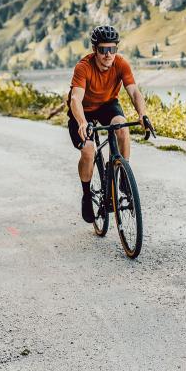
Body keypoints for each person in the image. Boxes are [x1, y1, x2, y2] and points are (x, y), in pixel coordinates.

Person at [68, 25, 154, 223]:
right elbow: (75, 99)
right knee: (89, 150)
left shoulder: (121, 64)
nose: (108, 54)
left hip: (107, 104)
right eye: (103, 50)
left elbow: (134, 92)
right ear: (94, 50)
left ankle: (123, 173)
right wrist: (82, 122)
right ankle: (86, 195)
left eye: (112, 49)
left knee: (122, 128)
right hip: (83, 109)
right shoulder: (84, 67)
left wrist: (143, 114)